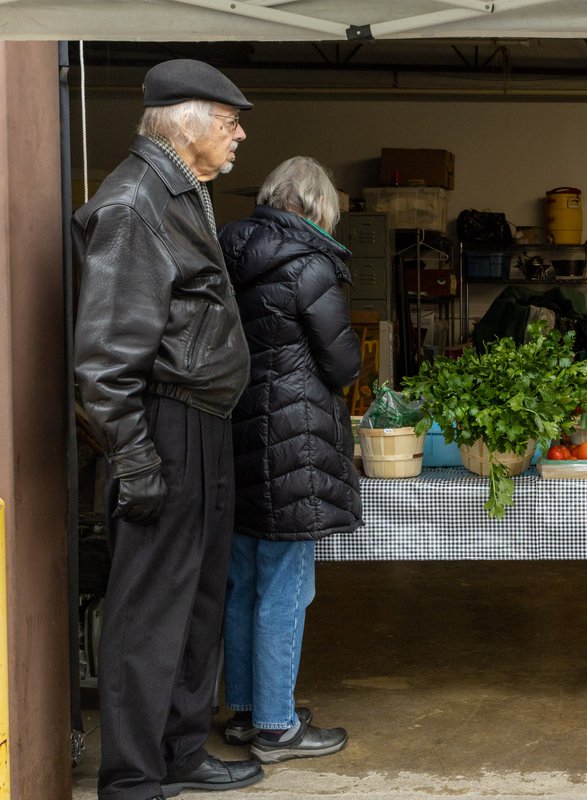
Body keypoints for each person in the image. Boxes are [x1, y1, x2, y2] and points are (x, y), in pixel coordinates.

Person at [73, 60, 261, 799]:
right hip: (165, 424)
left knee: (200, 598)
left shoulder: (180, 190)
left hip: (202, 422)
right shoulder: (134, 202)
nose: (239, 133)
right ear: (186, 123)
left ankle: (181, 751)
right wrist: (139, 461)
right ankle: (132, 778)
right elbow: (105, 359)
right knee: (151, 607)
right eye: (228, 120)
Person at [218, 156, 362, 763]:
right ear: (317, 207)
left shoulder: (228, 252)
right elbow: (343, 363)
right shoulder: (309, 265)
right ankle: (279, 727)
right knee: (286, 586)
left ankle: (248, 711)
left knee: (244, 580)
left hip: (236, 434)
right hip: (295, 442)